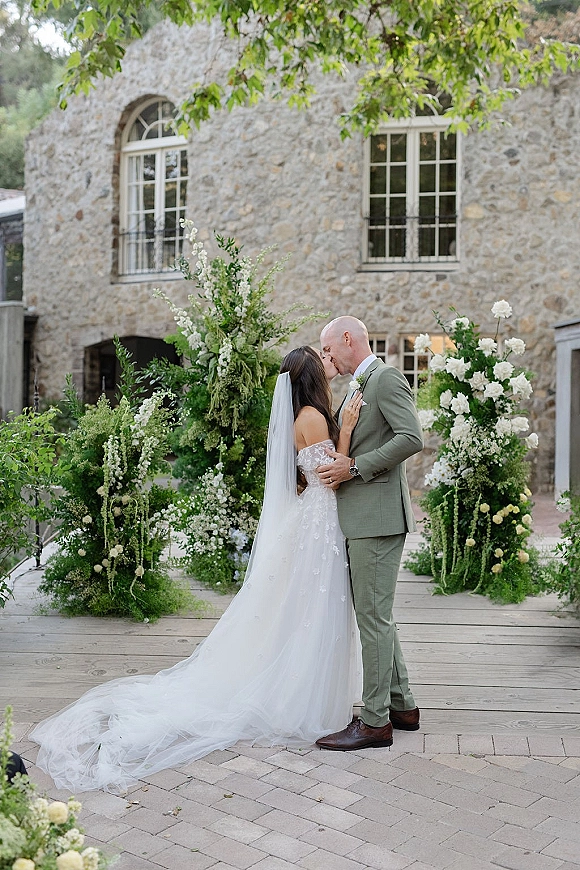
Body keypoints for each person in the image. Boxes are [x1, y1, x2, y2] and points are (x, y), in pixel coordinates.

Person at [31, 346, 363, 793]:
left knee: (301, 610)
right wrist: (348, 432)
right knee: (313, 610)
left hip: (311, 521)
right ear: (310, 377)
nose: (328, 362)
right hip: (319, 522)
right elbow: (329, 475)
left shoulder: (296, 417)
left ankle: (306, 688)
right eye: (320, 359)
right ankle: (305, 699)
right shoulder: (313, 418)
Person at [316, 315, 423, 751]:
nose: (328, 358)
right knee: (378, 616)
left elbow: (411, 437)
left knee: (373, 619)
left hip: (377, 519)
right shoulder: (359, 386)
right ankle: (402, 706)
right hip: (363, 518)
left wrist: (355, 466)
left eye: (328, 349)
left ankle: (376, 721)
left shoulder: (385, 378)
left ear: (347, 338)